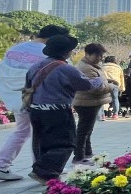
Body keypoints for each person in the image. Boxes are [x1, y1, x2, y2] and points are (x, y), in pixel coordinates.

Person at [0, 24, 70, 181]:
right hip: (39, 98)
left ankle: (0, 165)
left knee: (22, 130)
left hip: (16, 97)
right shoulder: (49, 52)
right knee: (41, 133)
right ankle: (42, 168)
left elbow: (4, 73)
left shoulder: (15, 49)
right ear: (54, 39)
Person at [25, 34, 106, 183]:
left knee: (42, 141)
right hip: (57, 110)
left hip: (36, 110)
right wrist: (99, 80)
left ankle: (46, 171)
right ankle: (44, 171)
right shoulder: (65, 69)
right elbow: (86, 85)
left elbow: (28, 84)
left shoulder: (36, 66)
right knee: (66, 142)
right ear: (66, 52)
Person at [72, 43, 110, 166]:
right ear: (87, 54)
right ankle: (79, 156)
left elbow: (99, 82)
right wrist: (111, 86)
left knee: (87, 130)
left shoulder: (91, 66)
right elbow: (94, 88)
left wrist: (107, 82)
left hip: (89, 101)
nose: (99, 58)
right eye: (97, 55)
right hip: (86, 102)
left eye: (101, 55)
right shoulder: (87, 68)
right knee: (84, 131)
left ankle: (87, 153)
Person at [101, 55, 125, 119]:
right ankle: (115, 114)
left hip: (104, 83)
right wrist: (122, 88)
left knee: (101, 99)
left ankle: (102, 115)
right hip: (115, 84)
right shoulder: (118, 67)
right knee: (115, 99)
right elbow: (122, 78)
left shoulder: (102, 67)